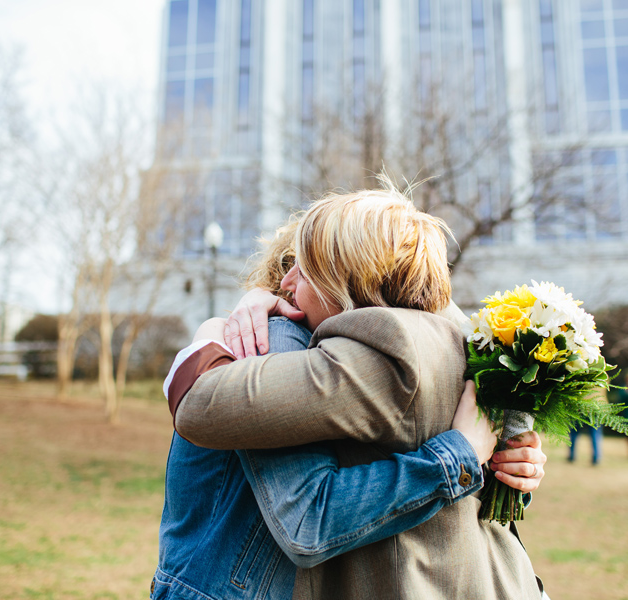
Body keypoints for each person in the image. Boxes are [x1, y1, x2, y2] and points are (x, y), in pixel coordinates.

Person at [167, 181, 547, 599]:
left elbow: (307, 521)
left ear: (348, 280)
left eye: (304, 269)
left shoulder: (384, 347)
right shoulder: (452, 340)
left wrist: (501, 462)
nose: (288, 285)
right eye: (288, 267)